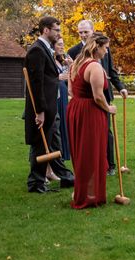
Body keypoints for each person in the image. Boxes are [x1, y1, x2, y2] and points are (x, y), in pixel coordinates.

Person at [68, 19, 128, 175]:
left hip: (96, 97)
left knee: (105, 132)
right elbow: (72, 84)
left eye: (85, 32)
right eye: (80, 32)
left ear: (92, 31)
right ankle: (93, 169)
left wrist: (120, 87)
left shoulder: (104, 48)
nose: (82, 35)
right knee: (88, 137)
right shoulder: (74, 52)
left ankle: (109, 165)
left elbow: (111, 71)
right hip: (91, 100)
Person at [23, 16, 75, 193]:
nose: (59, 33)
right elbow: (36, 84)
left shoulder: (46, 49)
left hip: (51, 105)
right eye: (56, 30)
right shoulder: (37, 50)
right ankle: (36, 182)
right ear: (46, 30)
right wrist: (40, 111)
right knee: (40, 144)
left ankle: (65, 177)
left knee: (52, 143)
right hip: (43, 107)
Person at [67, 34, 116, 208]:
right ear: (97, 47)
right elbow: (98, 96)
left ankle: (83, 191)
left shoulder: (75, 64)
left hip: (75, 109)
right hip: (90, 112)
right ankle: (88, 196)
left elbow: (71, 91)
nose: (106, 51)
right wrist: (109, 109)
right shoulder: (94, 66)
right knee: (91, 152)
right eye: (105, 47)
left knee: (81, 152)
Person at [54, 37, 72, 161]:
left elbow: (69, 78)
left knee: (62, 126)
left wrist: (70, 66)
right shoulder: (50, 60)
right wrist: (58, 77)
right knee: (56, 128)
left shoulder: (61, 61)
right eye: (59, 44)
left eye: (63, 44)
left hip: (63, 97)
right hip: (56, 98)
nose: (62, 47)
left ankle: (60, 158)